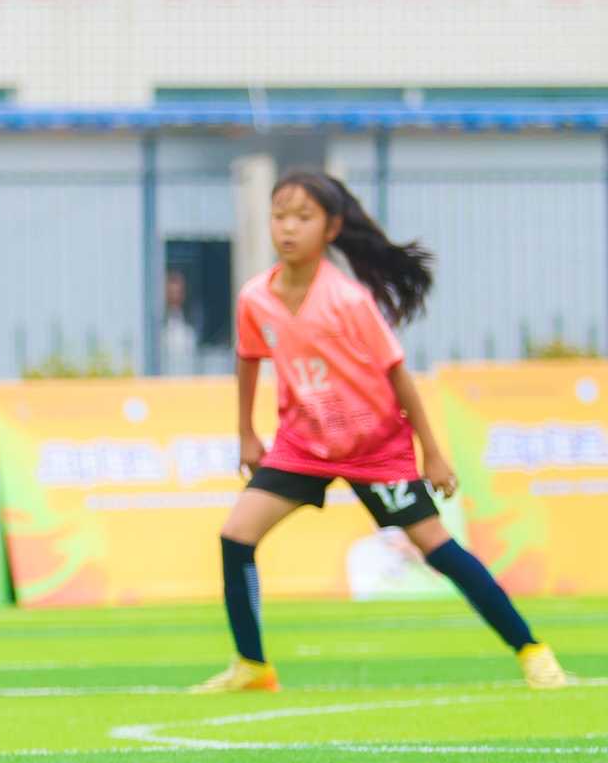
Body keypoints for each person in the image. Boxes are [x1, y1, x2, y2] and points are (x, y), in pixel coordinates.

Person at [193, 170, 567, 693]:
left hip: (373, 445)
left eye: (303, 217)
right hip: (303, 444)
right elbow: (248, 358)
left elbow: (397, 374)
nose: (288, 228)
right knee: (235, 536)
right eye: (279, 216)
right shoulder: (255, 297)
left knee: (436, 547)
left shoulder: (348, 300)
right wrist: (247, 434)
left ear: (331, 228)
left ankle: (531, 650)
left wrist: (431, 452)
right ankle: (253, 666)